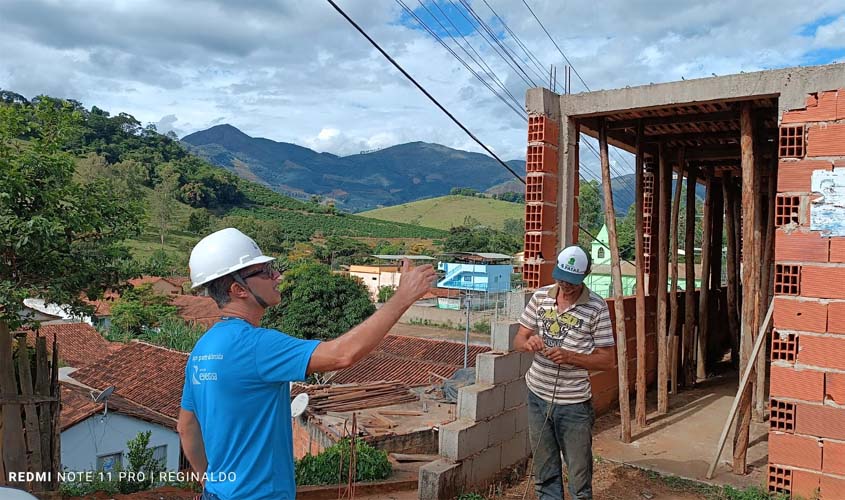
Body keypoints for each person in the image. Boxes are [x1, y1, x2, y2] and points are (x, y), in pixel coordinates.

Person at [177, 228, 436, 500]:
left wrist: (210, 482)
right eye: (264, 271)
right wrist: (403, 297)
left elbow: (187, 427)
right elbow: (342, 355)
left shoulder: (202, 349)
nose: (277, 276)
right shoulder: (255, 345)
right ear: (238, 289)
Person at [513, 245, 616, 500]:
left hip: (574, 405)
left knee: (579, 476)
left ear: (586, 275)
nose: (565, 286)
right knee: (545, 470)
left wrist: (570, 357)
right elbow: (519, 339)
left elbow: (608, 360)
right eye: (561, 278)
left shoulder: (596, 307)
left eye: (571, 282)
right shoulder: (540, 298)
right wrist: (530, 343)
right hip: (537, 395)